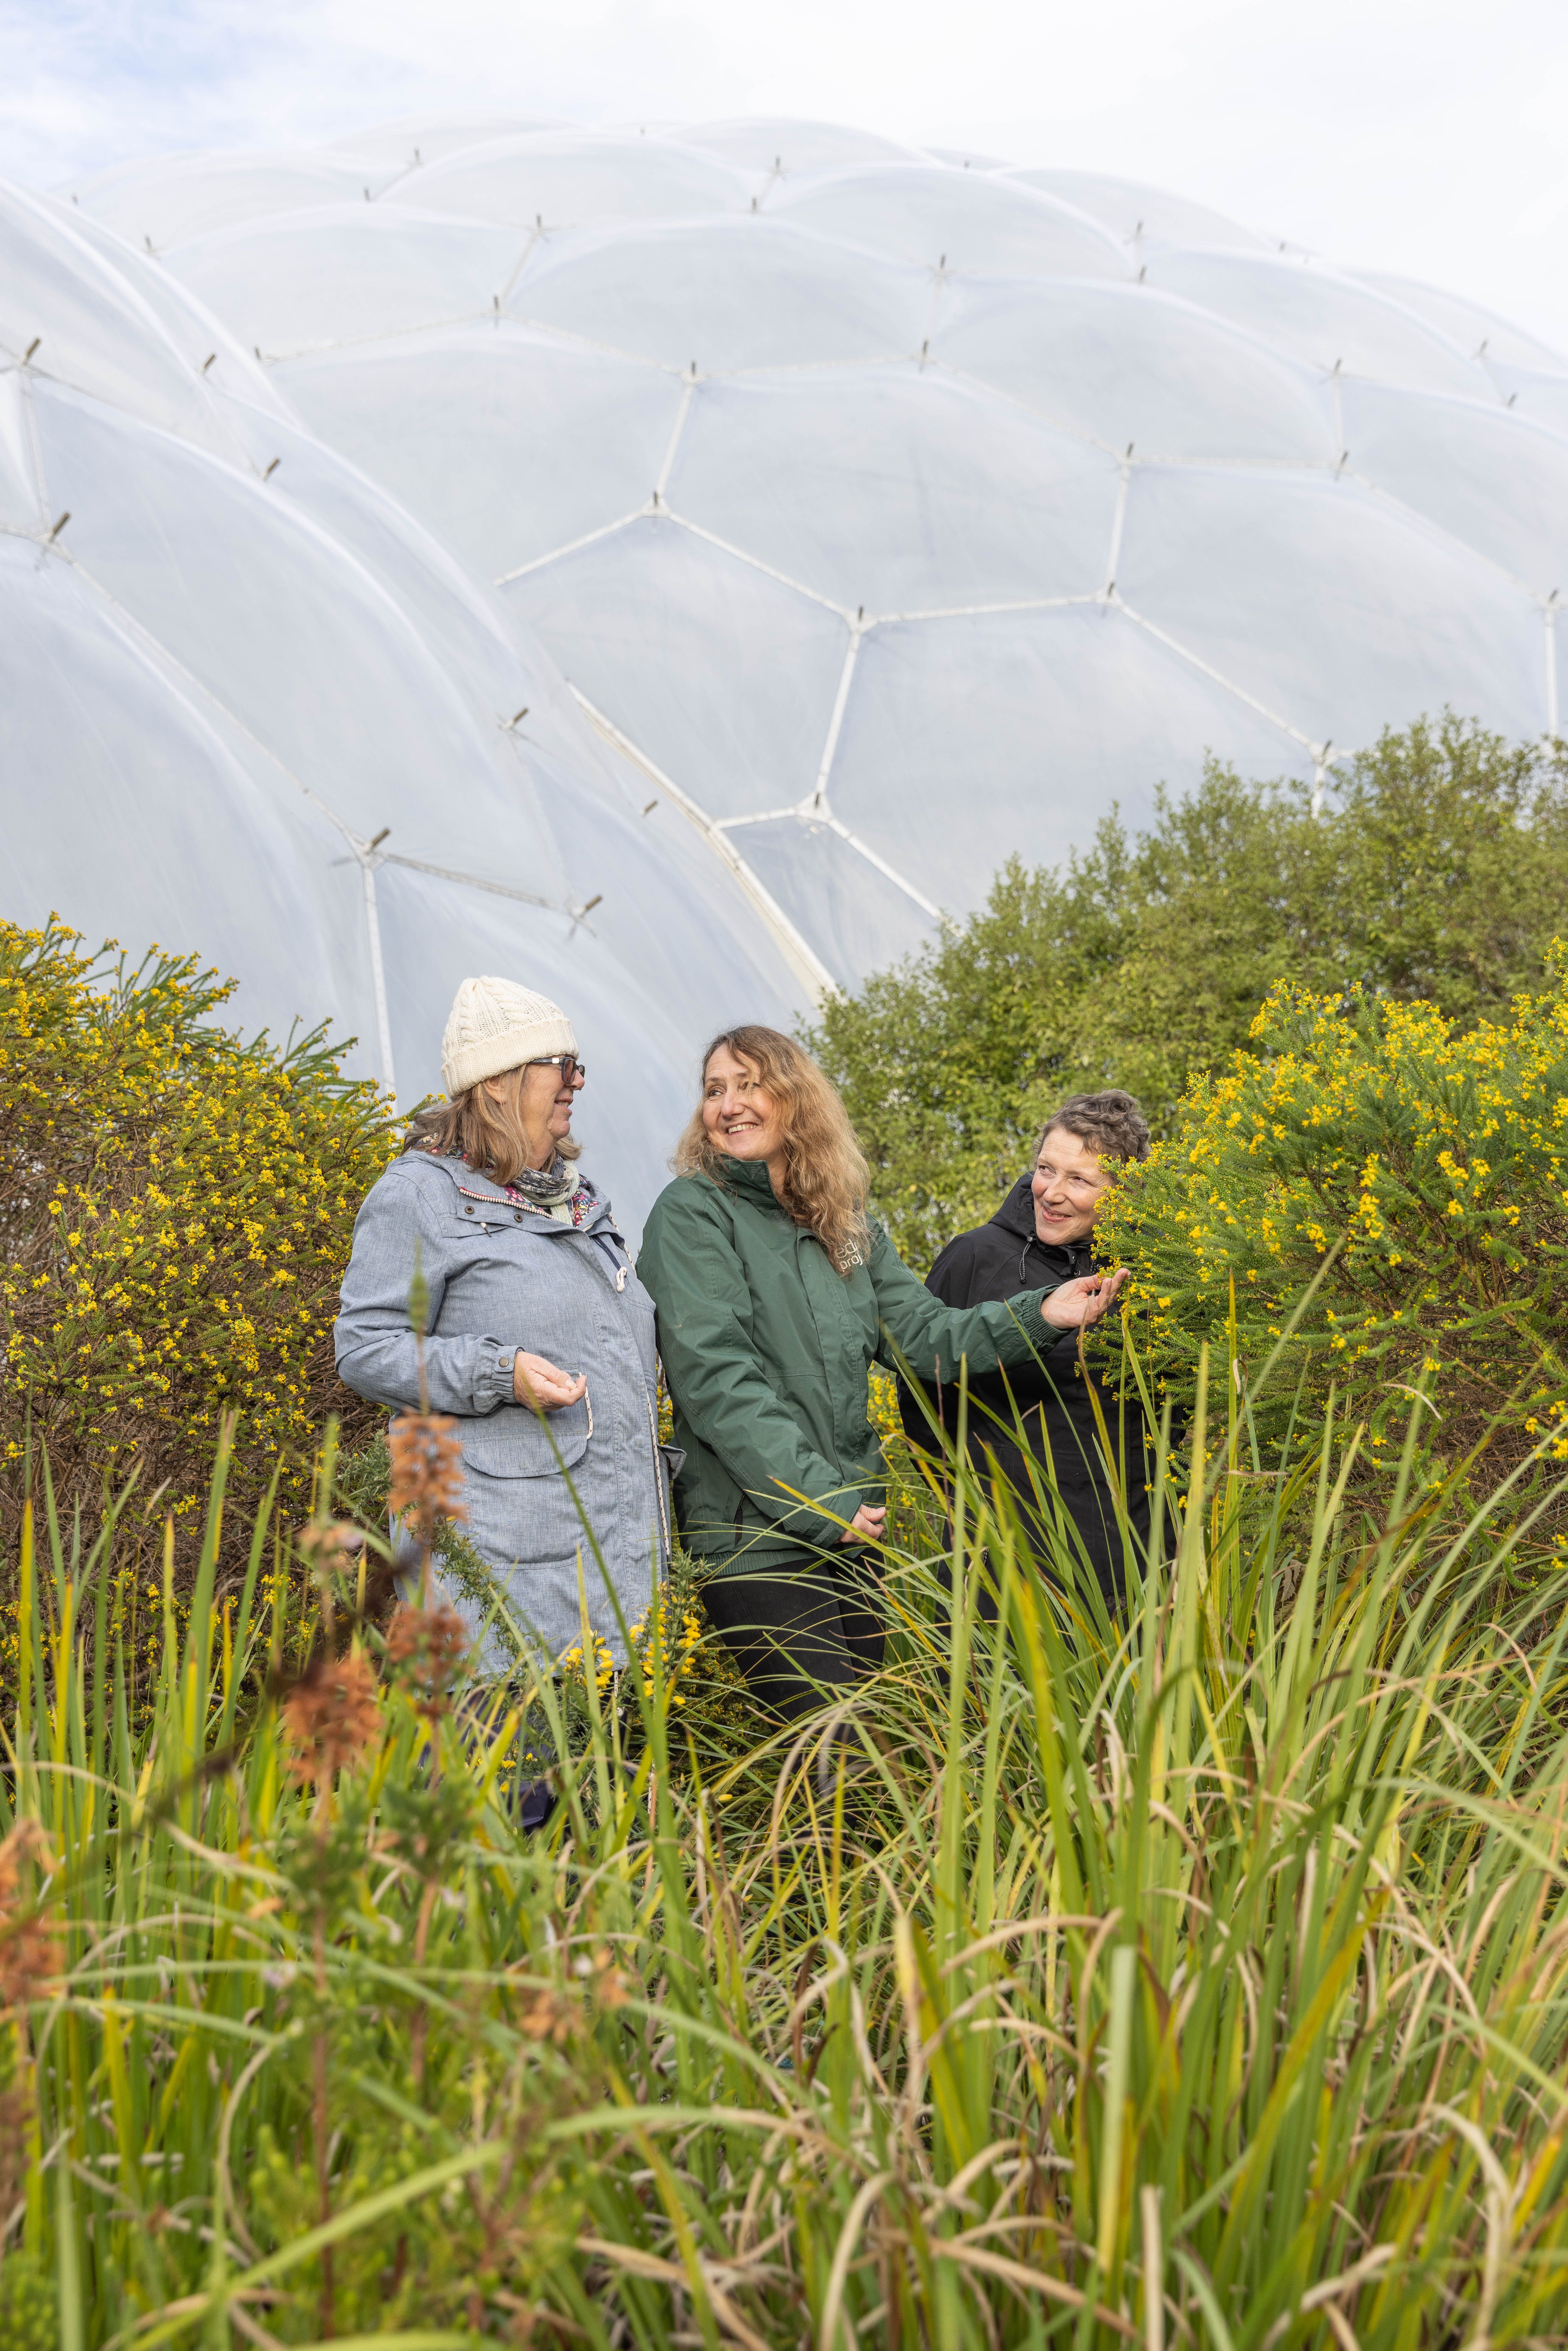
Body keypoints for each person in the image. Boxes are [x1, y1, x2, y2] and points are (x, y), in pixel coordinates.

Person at [636, 1026, 1126, 1725]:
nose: (729, 1104)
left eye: (750, 1085)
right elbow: (719, 1381)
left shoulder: (845, 1220)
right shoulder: (693, 1214)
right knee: (840, 1752)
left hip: (848, 1531)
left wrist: (1041, 1312)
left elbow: (926, 1338)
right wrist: (816, 1499)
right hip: (756, 1535)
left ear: (796, 1100)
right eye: (716, 1089)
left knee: (869, 1767)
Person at [335, 976, 670, 1676]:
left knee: (594, 1780)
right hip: (501, 1575)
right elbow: (365, 1347)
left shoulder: (583, 1205)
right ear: (496, 1083)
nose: (577, 1082)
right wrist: (499, 1373)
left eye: (577, 1066)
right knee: (508, 1777)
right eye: (560, 1066)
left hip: (608, 1566)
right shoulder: (421, 1193)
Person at [899, 1090, 1152, 1609]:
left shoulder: (1150, 1275)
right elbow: (920, 1387)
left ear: (1122, 1195)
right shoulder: (975, 1256)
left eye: (1079, 1180)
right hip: (999, 1562)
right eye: (1045, 1169)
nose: (1051, 1193)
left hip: (1128, 1565)